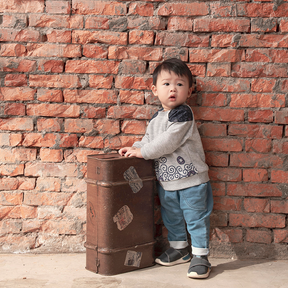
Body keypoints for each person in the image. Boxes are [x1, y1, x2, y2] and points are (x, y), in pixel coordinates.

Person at [119, 58, 213, 279]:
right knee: (171, 217)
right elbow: (149, 140)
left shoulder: (183, 115)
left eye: (180, 84)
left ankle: (201, 255)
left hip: (192, 181)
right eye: (167, 84)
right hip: (168, 182)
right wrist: (134, 148)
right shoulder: (156, 118)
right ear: (154, 90)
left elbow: (167, 142)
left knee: (195, 218)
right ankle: (180, 249)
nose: (173, 89)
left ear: (189, 91)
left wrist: (144, 152)